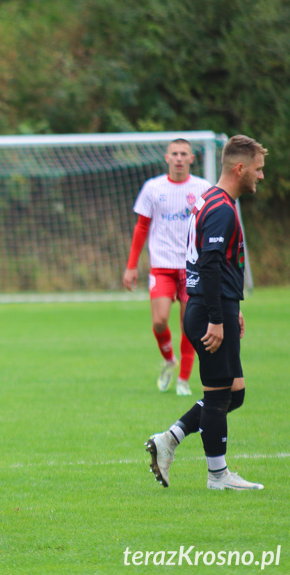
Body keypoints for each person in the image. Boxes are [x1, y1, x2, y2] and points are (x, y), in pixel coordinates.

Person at [146, 135, 267, 491]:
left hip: (217, 305)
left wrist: (232, 306)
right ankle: (218, 475)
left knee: (235, 392)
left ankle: (170, 438)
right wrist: (217, 316)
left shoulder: (211, 198)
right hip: (207, 309)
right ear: (240, 168)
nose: (260, 176)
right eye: (258, 170)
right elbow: (210, 265)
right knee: (218, 394)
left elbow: (216, 263)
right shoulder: (221, 208)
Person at [123, 139, 212, 396]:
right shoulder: (153, 188)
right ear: (166, 157)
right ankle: (169, 359)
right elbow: (141, 227)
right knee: (160, 321)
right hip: (161, 265)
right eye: (175, 153)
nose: (179, 158)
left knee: (189, 326)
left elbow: (209, 224)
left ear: (192, 158)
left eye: (184, 154)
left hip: (192, 266)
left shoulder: (203, 188)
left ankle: (184, 379)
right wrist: (131, 266)